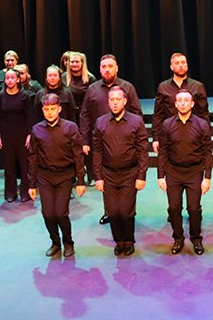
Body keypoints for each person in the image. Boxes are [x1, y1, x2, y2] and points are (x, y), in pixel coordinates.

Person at [79, 54, 142, 222]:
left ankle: (129, 210)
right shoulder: (92, 89)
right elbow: (85, 115)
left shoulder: (127, 87)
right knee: (105, 178)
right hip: (102, 142)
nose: (107, 69)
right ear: (100, 69)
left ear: (117, 68)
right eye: (104, 67)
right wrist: (84, 140)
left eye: (110, 66)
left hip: (126, 141)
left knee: (128, 180)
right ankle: (109, 211)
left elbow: (137, 113)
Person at [93, 86, 149, 256]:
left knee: (125, 211)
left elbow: (142, 151)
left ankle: (129, 240)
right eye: (112, 100)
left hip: (129, 173)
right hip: (108, 174)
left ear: (125, 101)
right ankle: (119, 241)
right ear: (108, 102)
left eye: (118, 99)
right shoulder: (101, 122)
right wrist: (98, 177)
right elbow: (97, 151)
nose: (115, 103)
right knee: (112, 211)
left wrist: (141, 176)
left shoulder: (136, 121)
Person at [28, 94, 86, 257]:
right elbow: (33, 157)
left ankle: (68, 243)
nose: (50, 112)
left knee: (60, 213)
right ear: (42, 110)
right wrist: (31, 184)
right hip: (45, 176)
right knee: (48, 214)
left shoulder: (70, 128)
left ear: (59, 109)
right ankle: (55, 242)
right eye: (46, 109)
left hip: (65, 175)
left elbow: (78, 156)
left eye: (53, 109)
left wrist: (80, 181)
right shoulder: (37, 129)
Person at [156, 89, 212, 255]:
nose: (182, 103)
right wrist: (160, 176)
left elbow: (207, 152)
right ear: (175, 104)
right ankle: (178, 238)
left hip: (194, 172)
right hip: (173, 172)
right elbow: (163, 152)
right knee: (174, 208)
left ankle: (196, 239)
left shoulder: (201, 125)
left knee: (194, 208)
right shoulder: (167, 124)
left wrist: (207, 177)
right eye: (179, 100)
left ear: (192, 104)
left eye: (186, 100)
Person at [152, 52, 209, 155]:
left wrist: (207, 135)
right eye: (177, 63)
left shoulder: (198, 86)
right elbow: (158, 115)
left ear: (187, 65)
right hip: (170, 135)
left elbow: (203, 113)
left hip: (193, 133)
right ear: (171, 67)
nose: (181, 65)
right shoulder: (163, 87)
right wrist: (156, 138)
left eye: (183, 62)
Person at [0, 67, 35, 202]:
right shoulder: (0, 96)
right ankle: (10, 193)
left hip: (22, 135)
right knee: (9, 165)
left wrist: (30, 134)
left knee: (24, 165)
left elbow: (29, 117)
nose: (9, 80)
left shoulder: (25, 96)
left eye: (12, 78)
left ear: (18, 79)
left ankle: (25, 193)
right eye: (7, 78)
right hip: (6, 135)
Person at [64, 51, 96, 183]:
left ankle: (92, 176)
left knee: (86, 146)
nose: (74, 64)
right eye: (72, 62)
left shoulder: (90, 78)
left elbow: (92, 100)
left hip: (85, 116)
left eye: (77, 62)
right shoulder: (63, 77)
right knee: (70, 147)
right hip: (69, 116)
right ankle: (71, 176)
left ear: (82, 63)